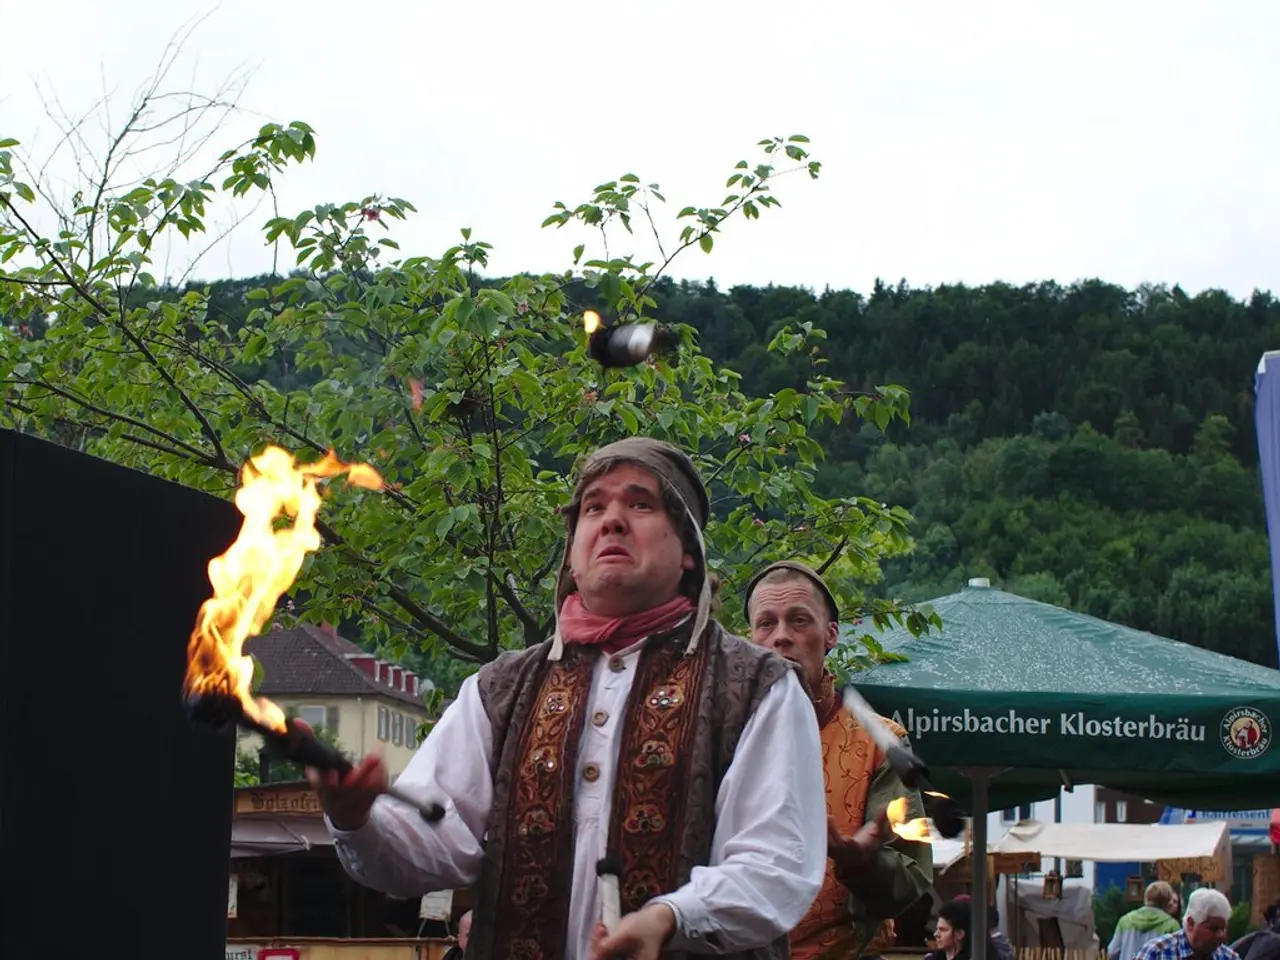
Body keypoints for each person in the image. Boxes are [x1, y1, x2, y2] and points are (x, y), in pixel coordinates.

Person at [309, 437, 828, 960]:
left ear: (687, 550)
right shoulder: (501, 688)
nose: (612, 520)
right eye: (593, 507)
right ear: (573, 549)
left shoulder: (757, 685)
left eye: (641, 504)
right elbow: (438, 842)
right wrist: (357, 819)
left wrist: (672, 917)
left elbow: (775, 864)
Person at [745, 560, 933, 960]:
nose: (781, 637)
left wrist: (861, 863)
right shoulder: (722, 736)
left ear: (830, 634)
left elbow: (913, 877)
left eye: (799, 621)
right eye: (766, 623)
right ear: (750, 639)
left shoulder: (881, 743)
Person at [1133, 888, 1239, 960]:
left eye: (1223, 928)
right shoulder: (1156, 953)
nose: (1220, 935)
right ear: (1191, 923)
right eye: (1213, 928)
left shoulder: (1228, 957)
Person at [1109, 882, 1183, 960]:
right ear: (1167, 900)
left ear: (1146, 897)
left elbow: (1112, 952)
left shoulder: (1125, 921)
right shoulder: (1172, 925)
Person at [924, 898, 994, 960]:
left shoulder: (978, 957)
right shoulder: (933, 958)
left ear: (960, 934)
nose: (936, 934)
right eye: (937, 929)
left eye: (943, 930)